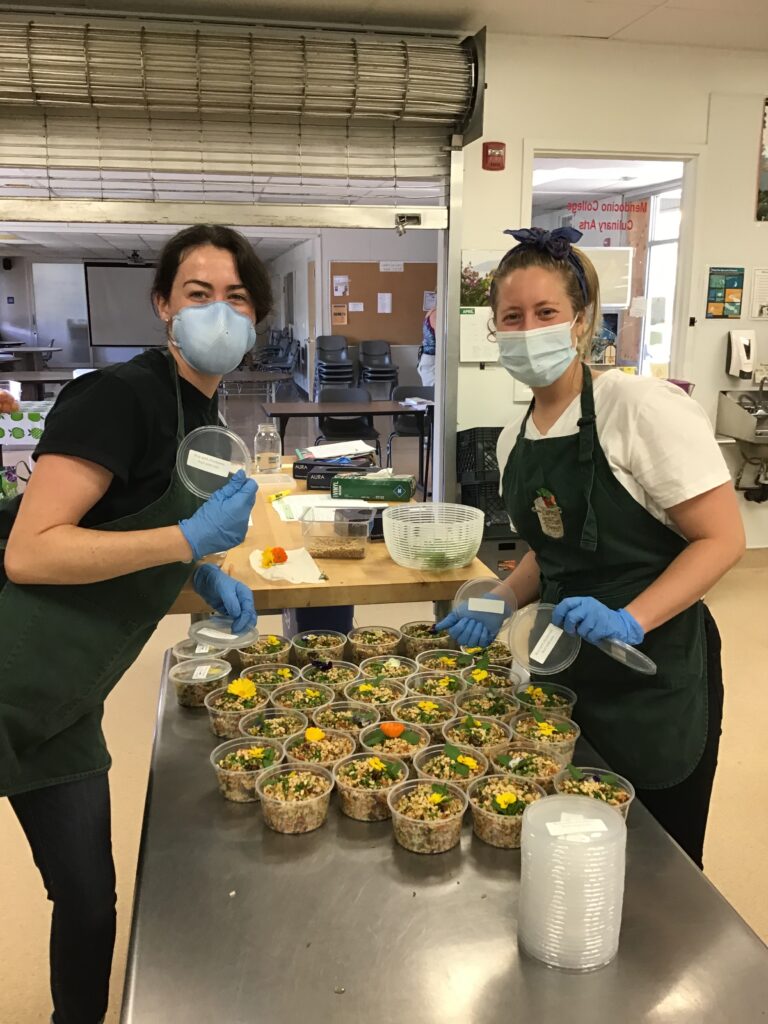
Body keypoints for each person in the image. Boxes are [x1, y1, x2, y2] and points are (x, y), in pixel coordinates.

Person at [0, 224, 272, 1024]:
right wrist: (187, 540)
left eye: (238, 298)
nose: (218, 312)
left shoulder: (200, 415)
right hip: (12, 672)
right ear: (162, 305)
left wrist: (199, 576)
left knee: (87, 903)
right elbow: (33, 551)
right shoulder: (120, 396)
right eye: (198, 294)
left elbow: (121, 526)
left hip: (67, 701)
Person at [439, 226, 744, 868]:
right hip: (564, 668)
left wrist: (631, 619)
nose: (528, 330)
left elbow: (722, 539)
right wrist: (497, 599)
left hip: (653, 675)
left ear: (580, 322)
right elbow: (549, 554)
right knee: (575, 847)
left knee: (658, 865)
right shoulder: (512, 440)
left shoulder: (637, 407)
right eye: (512, 317)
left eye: (546, 313)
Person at [417, 300, 437, 385]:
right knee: (434, 393)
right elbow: (441, 342)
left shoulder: (432, 311)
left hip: (428, 358)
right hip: (432, 361)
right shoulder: (436, 314)